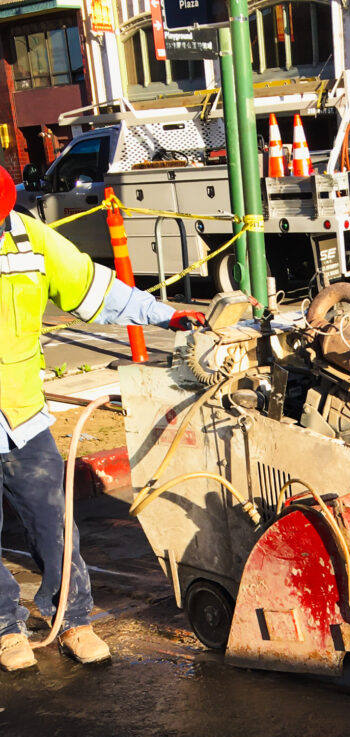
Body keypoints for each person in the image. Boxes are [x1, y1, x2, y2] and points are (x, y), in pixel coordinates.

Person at [0, 165, 206, 672]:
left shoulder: (28, 241)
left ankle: (71, 619)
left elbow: (96, 290)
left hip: (20, 414)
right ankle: (5, 628)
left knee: (54, 521)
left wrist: (163, 314)